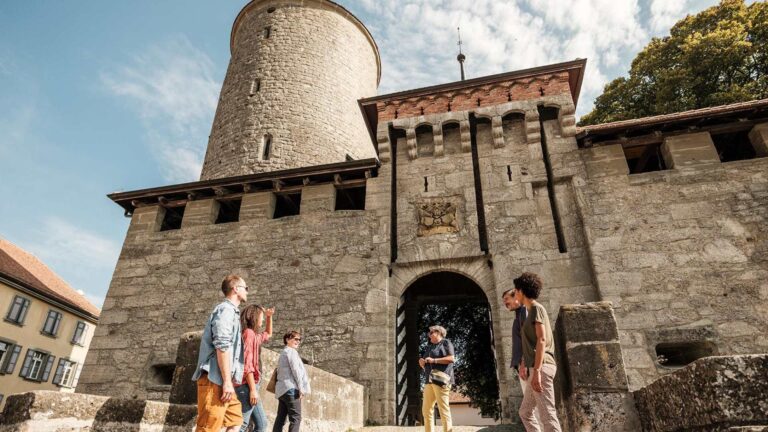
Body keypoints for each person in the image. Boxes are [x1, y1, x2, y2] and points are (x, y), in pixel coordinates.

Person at [192, 275, 248, 432]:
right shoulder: (225, 311)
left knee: (235, 421)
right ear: (236, 289)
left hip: (221, 380)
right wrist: (227, 382)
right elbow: (222, 345)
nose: (247, 292)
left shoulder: (232, 312)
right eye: (246, 288)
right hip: (214, 378)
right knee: (208, 428)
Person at [514, 272, 562, 432]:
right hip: (534, 367)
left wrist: (538, 372)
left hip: (542, 367)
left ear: (521, 291)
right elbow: (531, 343)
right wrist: (524, 363)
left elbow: (541, 340)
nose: (515, 294)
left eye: (516, 291)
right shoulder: (530, 311)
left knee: (547, 414)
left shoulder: (536, 309)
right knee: (525, 412)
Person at [235, 304, 274, 432]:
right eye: (261, 317)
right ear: (254, 317)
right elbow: (247, 365)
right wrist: (252, 390)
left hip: (249, 386)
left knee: (261, 424)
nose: (262, 320)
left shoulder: (253, 335)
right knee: (241, 425)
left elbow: (268, 334)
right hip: (246, 386)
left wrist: (269, 317)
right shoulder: (248, 334)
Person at [418, 325, 455, 432]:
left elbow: (451, 358)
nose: (429, 335)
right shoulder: (429, 347)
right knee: (426, 410)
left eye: (431, 333)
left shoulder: (446, 343)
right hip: (429, 381)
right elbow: (427, 364)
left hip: (441, 380)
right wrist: (422, 363)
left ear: (438, 333)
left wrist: (434, 360)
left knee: (443, 409)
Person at [272, 330, 310, 432]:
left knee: (280, 419)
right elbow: (296, 370)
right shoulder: (292, 352)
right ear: (287, 339)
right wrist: (301, 388)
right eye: (296, 339)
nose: (298, 341)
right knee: (296, 418)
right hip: (291, 389)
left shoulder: (284, 352)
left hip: (282, 391)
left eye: (299, 339)